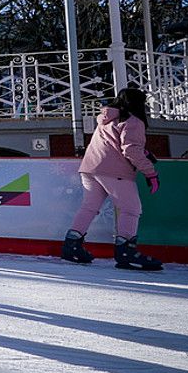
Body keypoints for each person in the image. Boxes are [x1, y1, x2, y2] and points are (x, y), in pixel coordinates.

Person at [62, 87, 164, 270]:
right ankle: (126, 251)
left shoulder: (106, 119)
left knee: (89, 207)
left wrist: (145, 153)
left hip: (90, 168)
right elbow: (130, 150)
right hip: (115, 172)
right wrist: (151, 173)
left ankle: (71, 244)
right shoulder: (133, 121)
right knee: (131, 209)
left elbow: (113, 143)